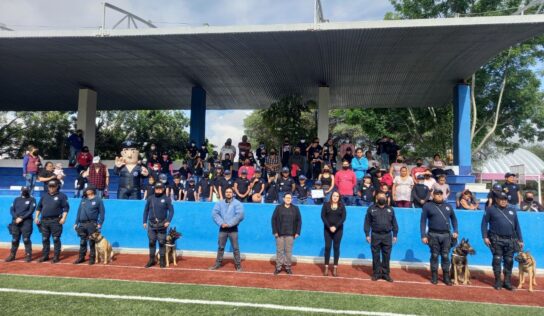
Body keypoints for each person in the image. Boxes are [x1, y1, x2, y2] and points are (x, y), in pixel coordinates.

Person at [482, 192, 523, 290]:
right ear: (497, 200)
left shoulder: (512, 210)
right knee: (497, 260)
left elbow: (517, 226)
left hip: (510, 240)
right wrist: (485, 237)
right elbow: (484, 223)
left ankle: (507, 282)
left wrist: (520, 239)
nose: (504, 201)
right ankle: (497, 282)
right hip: (496, 240)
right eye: (502, 199)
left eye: (505, 199)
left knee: (509, 261)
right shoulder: (490, 209)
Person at [420, 189, 458, 285]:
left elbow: (454, 219)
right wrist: (423, 235)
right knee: (434, 255)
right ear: (433, 195)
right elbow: (423, 221)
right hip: (433, 235)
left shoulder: (448, 206)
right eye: (437, 194)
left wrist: (456, 231)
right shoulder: (427, 206)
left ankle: (446, 277)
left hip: (446, 235)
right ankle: (434, 276)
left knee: (445, 256)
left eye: (441, 194)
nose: (439, 196)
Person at [364, 191, 398, 282]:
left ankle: (386, 274)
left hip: (387, 236)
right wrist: (367, 234)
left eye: (384, 197)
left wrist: (395, 235)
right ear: (377, 198)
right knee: (375, 255)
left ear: (386, 199)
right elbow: (367, 222)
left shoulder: (390, 209)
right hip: (375, 235)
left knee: (386, 256)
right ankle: (376, 273)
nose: (382, 198)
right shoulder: (371, 209)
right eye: (380, 197)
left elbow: (394, 223)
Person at [209, 187, 244, 271]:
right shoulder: (219, 203)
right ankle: (217, 264)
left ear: (233, 194)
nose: (228, 193)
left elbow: (240, 215)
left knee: (235, 248)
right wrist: (222, 223)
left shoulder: (238, 203)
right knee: (220, 247)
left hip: (233, 229)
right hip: (222, 228)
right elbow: (214, 214)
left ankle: (238, 265)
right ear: (225, 194)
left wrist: (229, 224)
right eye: (227, 192)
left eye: (230, 192)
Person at [34, 180, 69, 263]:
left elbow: (66, 208)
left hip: (55, 221)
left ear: (57, 186)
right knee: (45, 239)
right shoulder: (44, 196)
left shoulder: (62, 196)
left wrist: (63, 218)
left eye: (53, 186)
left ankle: (56, 257)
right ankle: (45, 256)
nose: (51, 188)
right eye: (50, 186)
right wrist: (36, 217)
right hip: (44, 221)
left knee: (56, 239)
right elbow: (39, 207)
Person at [143, 182, 174, 268]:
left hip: (162, 225)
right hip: (151, 225)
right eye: (157, 188)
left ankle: (162, 261)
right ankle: (151, 260)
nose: (158, 190)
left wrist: (168, 221)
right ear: (155, 189)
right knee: (152, 242)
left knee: (161, 242)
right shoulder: (150, 198)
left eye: (160, 188)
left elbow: (171, 211)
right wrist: (144, 222)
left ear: (163, 189)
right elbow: (145, 211)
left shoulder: (167, 199)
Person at [73, 185, 105, 265]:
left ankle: (92, 258)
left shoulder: (98, 200)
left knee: (92, 242)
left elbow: (102, 213)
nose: (87, 191)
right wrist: (76, 223)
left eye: (88, 189)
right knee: (82, 242)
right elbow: (79, 212)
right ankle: (81, 257)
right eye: (86, 190)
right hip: (82, 224)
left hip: (92, 224)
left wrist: (100, 223)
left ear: (92, 190)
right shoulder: (83, 199)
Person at [272, 193, 302, 275]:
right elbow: (273, 219)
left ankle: (288, 267)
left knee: (288, 251)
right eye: (287, 198)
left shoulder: (295, 208)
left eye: (290, 198)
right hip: (279, 233)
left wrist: (297, 232)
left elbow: (299, 221)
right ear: (283, 199)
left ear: (292, 199)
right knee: (279, 251)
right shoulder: (278, 208)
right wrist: (275, 231)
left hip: (291, 233)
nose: (288, 199)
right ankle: (278, 267)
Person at [5, 187, 36, 262]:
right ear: (20, 191)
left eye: (26, 191)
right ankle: (12, 255)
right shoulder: (16, 199)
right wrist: (16, 218)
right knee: (15, 240)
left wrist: (21, 218)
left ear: (28, 191)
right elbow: (12, 210)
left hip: (26, 222)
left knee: (26, 239)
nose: (24, 192)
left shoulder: (32, 199)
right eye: (23, 191)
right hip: (15, 222)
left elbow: (31, 211)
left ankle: (28, 255)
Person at [321, 191, 346, 277]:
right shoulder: (326, 205)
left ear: (339, 198)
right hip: (327, 230)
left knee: (336, 248)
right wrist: (329, 227)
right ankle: (326, 267)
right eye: (334, 196)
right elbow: (323, 216)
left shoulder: (342, 206)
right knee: (327, 247)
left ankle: (335, 267)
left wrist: (335, 226)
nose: (335, 197)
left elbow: (343, 218)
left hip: (338, 230)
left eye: (337, 196)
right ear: (331, 197)